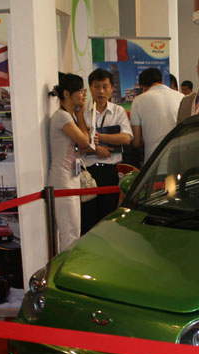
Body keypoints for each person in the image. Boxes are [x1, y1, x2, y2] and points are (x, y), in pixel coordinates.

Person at [81, 68, 133, 234]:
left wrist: (99, 136)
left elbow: (126, 138)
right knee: (87, 219)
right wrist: (97, 148)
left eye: (105, 87)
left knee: (108, 219)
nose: (101, 91)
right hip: (87, 172)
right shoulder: (81, 112)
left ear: (112, 88)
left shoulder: (118, 111)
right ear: (90, 88)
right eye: (97, 87)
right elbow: (77, 141)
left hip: (110, 171)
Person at [48, 72, 91, 251]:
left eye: (83, 90)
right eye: (80, 91)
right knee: (69, 233)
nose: (83, 95)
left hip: (71, 179)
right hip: (63, 181)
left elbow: (83, 145)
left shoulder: (69, 116)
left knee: (73, 231)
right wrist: (81, 116)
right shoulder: (63, 117)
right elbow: (85, 142)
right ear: (66, 93)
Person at [131, 67, 183, 162]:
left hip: (155, 160)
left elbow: (136, 142)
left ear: (142, 86)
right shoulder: (182, 97)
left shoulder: (138, 100)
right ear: (162, 81)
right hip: (180, 158)